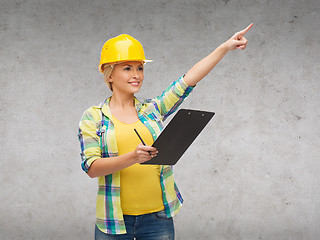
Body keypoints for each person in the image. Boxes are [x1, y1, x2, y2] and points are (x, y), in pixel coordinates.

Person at [78, 23, 253, 240]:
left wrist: (225, 47)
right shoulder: (94, 117)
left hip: (157, 219)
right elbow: (92, 168)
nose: (137, 75)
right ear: (110, 74)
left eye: (140, 68)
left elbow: (188, 80)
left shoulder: (153, 110)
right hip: (114, 222)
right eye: (127, 68)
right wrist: (133, 157)